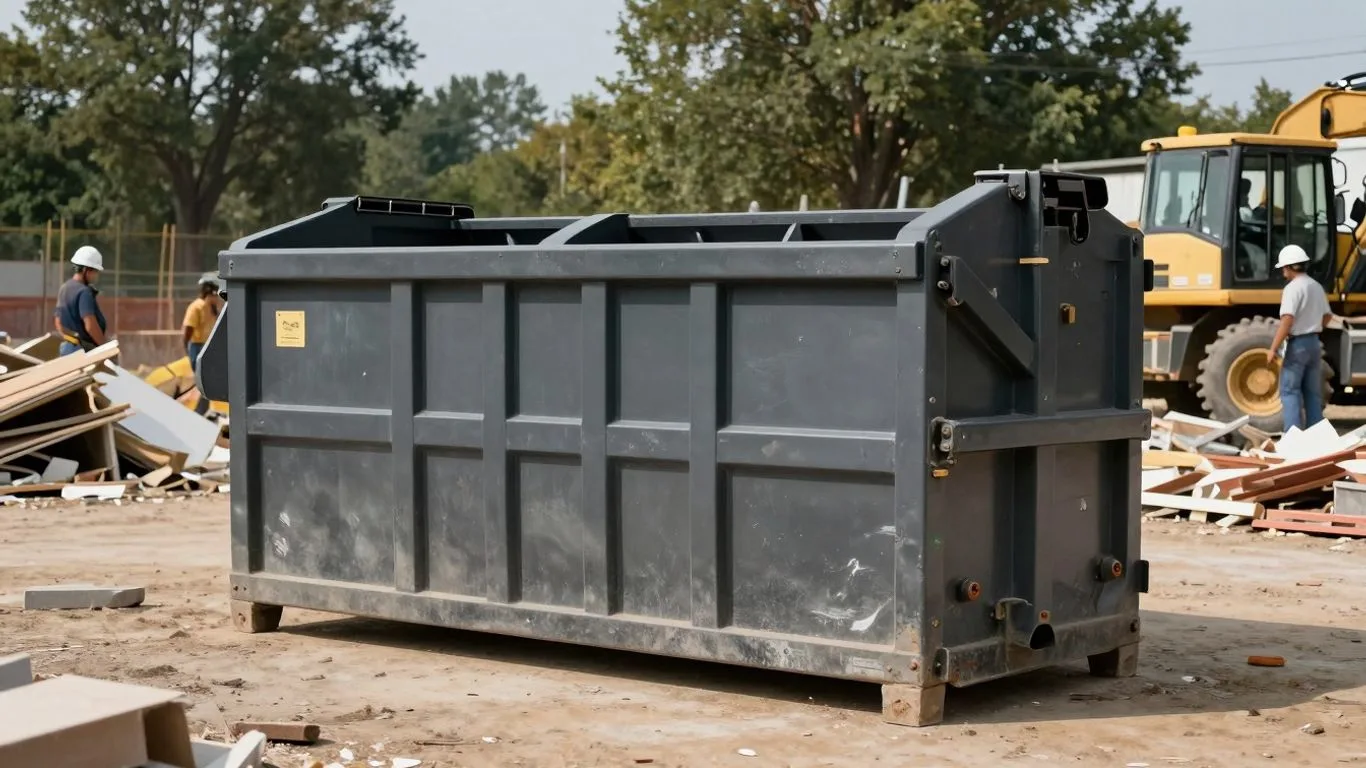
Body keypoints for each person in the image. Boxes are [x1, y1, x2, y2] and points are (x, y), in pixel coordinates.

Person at [1267, 244, 1333, 432]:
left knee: (1290, 392)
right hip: (1314, 343)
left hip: (1298, 345)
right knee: (1312, 394)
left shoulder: (1292, 289)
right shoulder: (1316, 286)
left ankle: (1293, 436)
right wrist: (1314, 327)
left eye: (1283, 268)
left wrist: (1273, 348)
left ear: (1289, 267)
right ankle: (1316, 435)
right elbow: (1327, 317)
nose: (1282, 272)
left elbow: (1287, 319)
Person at [52, 245, 107, 356]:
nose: (96, 276)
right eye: (95, 271)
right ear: (86, 270)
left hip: (67, 350)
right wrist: (105, 348)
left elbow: (58, 322)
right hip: (84, 353)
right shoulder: (84, 292)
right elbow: (90, 325)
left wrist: (73, 339)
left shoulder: (64, 288)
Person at [182, 274, 222, 416]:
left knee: (208, 382)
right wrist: (187, 349)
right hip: (197, 347)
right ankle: (199, 412)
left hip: (207, 347)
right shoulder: (196, 307)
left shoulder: (212, 308)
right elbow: (188, 330)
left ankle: (202, 410)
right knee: (204, 381)